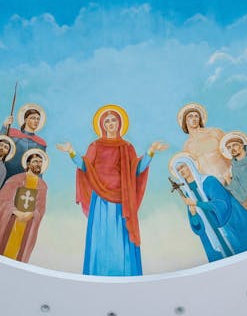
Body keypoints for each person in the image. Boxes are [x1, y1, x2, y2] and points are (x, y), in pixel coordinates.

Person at [56, 105, 168, 276]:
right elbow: (85, 166)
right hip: (100, 199)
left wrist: (150, 152)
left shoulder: (127, 147)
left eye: (113, 120)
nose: (110, 123)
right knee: (101, 237)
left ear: (119, 123)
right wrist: (71, 152)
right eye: (107, 121)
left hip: (122, 199)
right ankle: (98, 272)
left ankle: (126, 273)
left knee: (122, 237)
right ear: (102, 125)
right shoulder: (96, 145)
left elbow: (136, 170)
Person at [169, 153, 247, 261]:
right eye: (178, 170)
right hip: (213, 234)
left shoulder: (209, 181)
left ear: (190, 165)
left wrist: (197, 204)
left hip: (230, 225)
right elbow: (197, 227)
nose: (181, 171)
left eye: (182, 166)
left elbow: (222, 205)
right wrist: (194, 213)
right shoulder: (188, 194)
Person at [0, 149, 49, 262]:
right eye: (35, 161)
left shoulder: (42, 185)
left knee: (17, 255)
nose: (38, 164)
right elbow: (1, 201)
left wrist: (32, 213)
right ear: (28, 164)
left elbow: (40, 208)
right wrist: (14, 211)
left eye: (40, 162)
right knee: (2, 251)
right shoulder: (15, 179)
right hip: (10, 221)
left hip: (26, 225)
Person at [177, 102, 230, 182]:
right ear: (186, 121)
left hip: (229, 177)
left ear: (200, 119)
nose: (194, 119)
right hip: (211, 184)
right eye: (190, 117)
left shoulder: (214, 132)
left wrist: (231, 171)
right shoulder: (187, 146)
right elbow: (191, 171)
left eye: (196, 116)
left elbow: (231, 149)